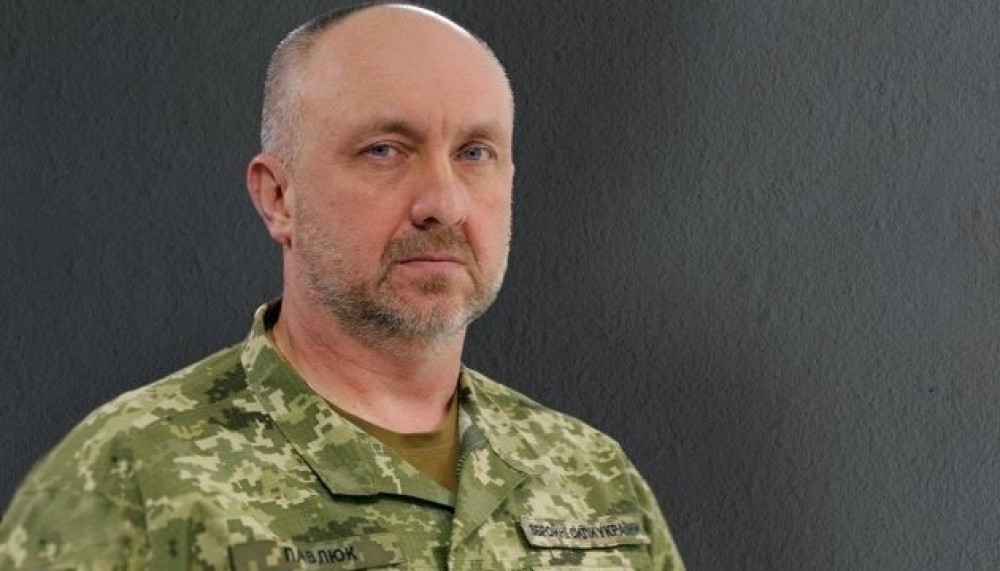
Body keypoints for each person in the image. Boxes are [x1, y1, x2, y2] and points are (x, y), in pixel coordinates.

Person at [0, 2, 685, 569]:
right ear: (279, 198)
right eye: (384, 150)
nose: (443, 203)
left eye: (474, 153)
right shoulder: (128, 482)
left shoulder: (595, 479)